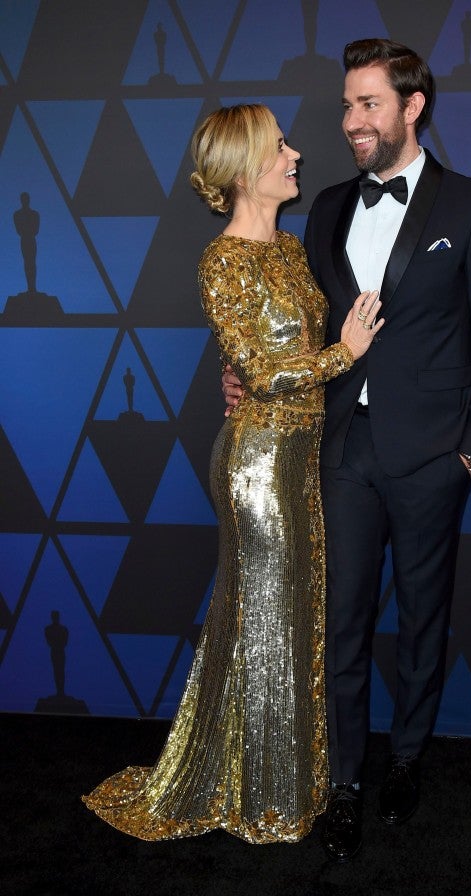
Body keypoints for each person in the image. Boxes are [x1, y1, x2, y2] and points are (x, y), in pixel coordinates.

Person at [223, 38, 471, 861]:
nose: (351, 121)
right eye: (348, 105)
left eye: (368, 106)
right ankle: (345, 780)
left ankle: (407, 762)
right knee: (341, 624)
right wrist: (245, 374)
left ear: (411, 107)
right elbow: (296, 329)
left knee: (424, 623)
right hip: (342, 451)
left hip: (433, 460)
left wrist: (470, 456)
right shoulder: (321, 208)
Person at [82, 103, 383, 844]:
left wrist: (304, 364)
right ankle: (268, 802)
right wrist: (344, 352)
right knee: (271, 626)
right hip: (256, 468)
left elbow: (257, 360)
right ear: (249, 168)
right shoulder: (222, 260)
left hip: (300, 459)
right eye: (280, 145)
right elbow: (261, 369)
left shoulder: (287, 247)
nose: (296, 153)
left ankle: (286, 781)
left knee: (287, 622)